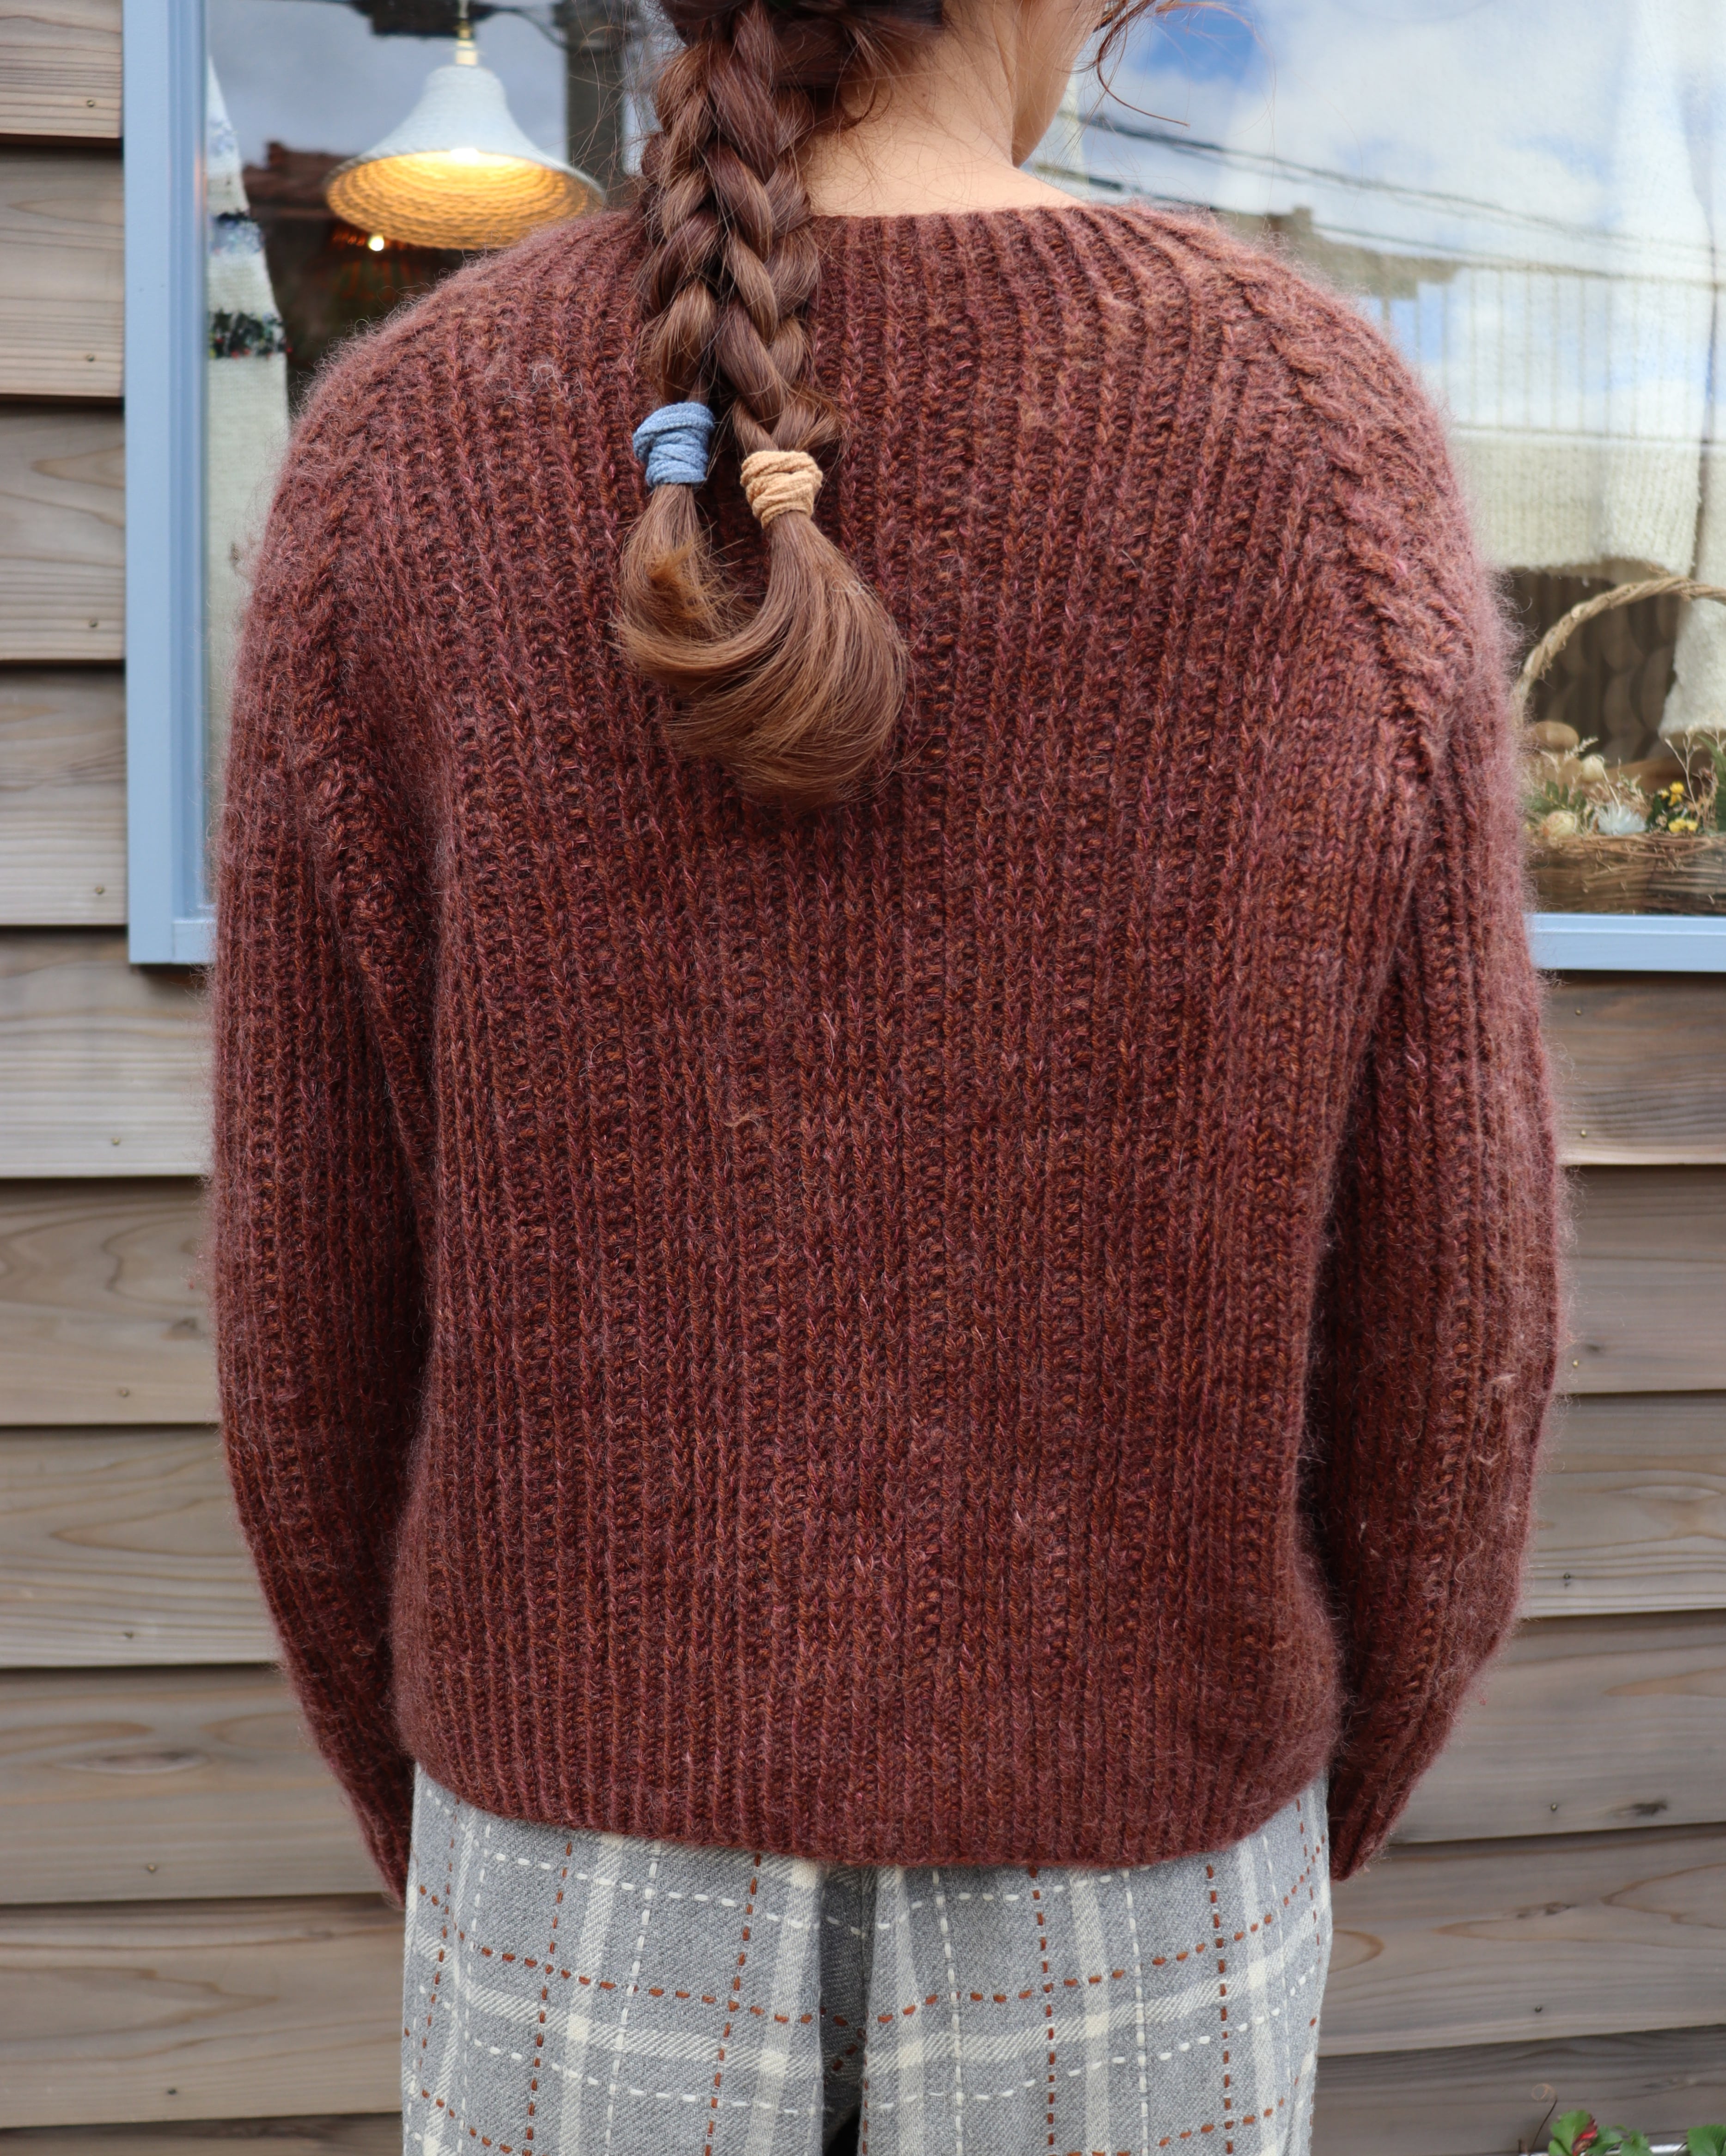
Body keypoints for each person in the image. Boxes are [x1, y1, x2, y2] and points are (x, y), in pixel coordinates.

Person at [209, 0, 1562, 2146]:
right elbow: (1454, 1339)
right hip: (1135, 1896)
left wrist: (485, 1807)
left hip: (575, 1879)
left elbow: (304, 1339)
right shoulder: (1309, 436)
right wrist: (1259, 1808)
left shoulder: (398, 448)